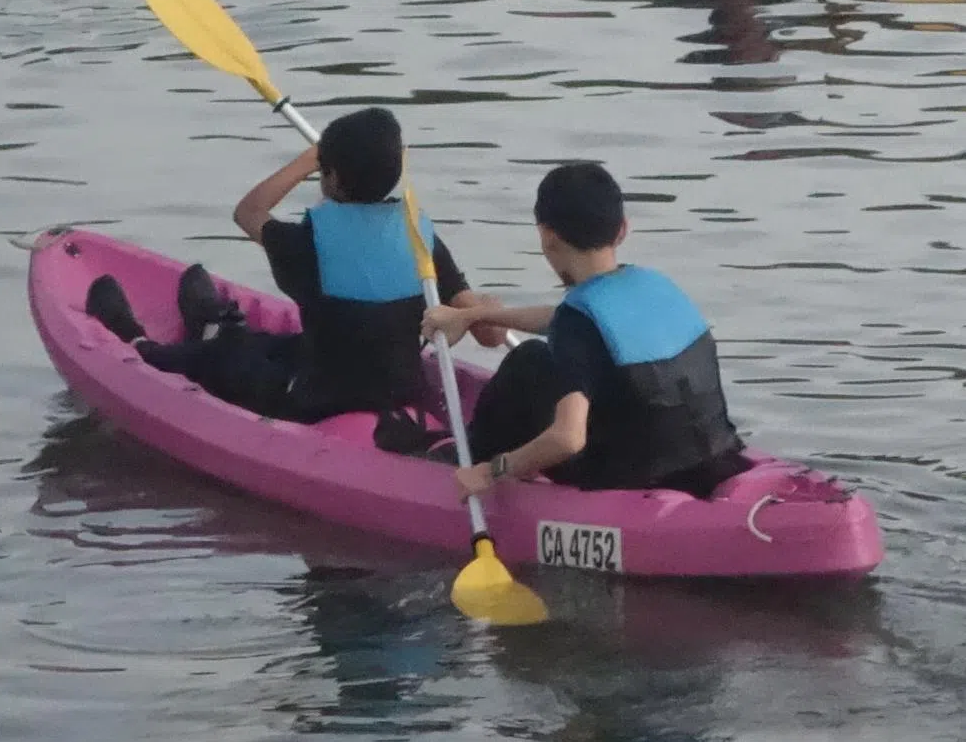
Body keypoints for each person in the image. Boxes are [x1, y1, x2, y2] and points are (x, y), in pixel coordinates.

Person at [81, 107, 499, 428]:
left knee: (225, 356)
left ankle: (141, 345)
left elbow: (248, 212)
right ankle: (217, 326)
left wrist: (308, 159)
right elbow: (489, 333)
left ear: (330, 176)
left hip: (317, 399)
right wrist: (485, 311)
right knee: (273, 345)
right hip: (397, 388)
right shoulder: (419, 238)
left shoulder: (309, 244)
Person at [422, 162, 751, 500]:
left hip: (633, 478)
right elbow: (568, 321)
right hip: (711, 459)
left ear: (547, 237)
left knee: (529, 360)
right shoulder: (654, 286)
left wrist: (494, 470)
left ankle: (465, 462)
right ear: (622, 230)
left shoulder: (578, 323)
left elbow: (569, 438)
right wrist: (476, 315)